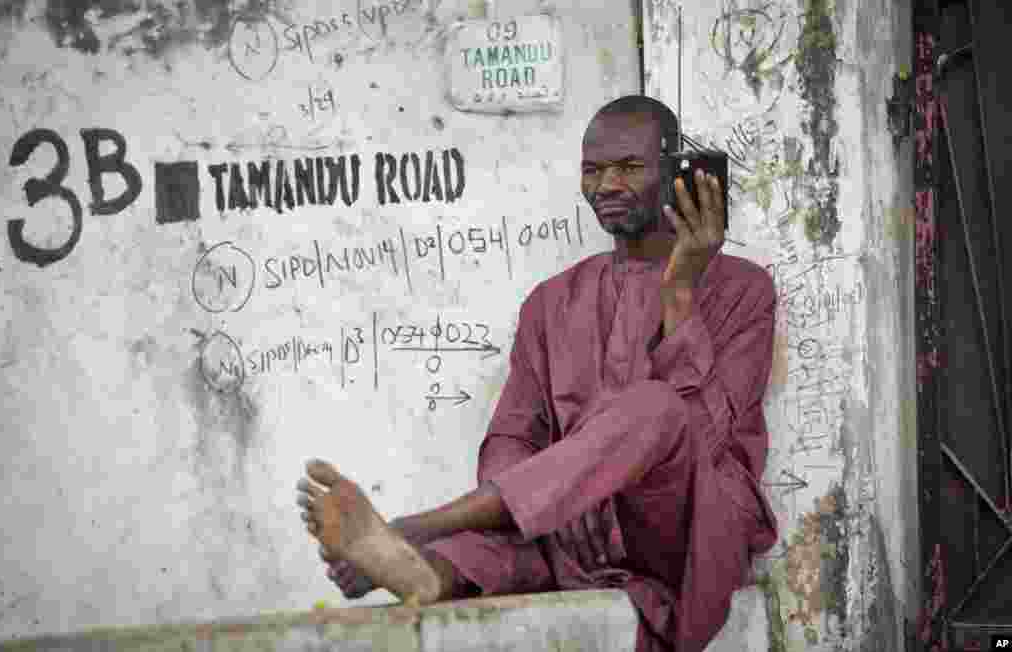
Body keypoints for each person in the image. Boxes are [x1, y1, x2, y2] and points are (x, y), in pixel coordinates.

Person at [295, 95, 778, 652]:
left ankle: (417, 527)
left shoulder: (744, 290)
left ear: (673, 170)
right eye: (593, 170)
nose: (607, 186)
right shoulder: (551, 303)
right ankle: (417, 572)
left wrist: (680, 291)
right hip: (574, 533)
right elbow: (511, 435)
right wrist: (562, 494)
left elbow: (707, 436)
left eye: (629, 167)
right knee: (497, 549)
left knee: (658, 407)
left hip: (688, 528)